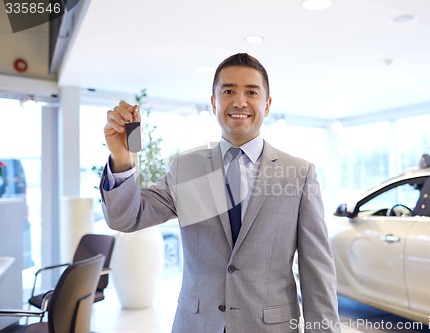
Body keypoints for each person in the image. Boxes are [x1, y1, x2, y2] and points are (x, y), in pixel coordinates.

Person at [100, 53, 340, 332]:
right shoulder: (186, 168)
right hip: (197, 324)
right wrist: (121, 158)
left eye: (251, 92)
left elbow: (317, 268)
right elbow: (126, 218)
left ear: (268, 104)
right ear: (214, 102)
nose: (240, 102)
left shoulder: (299, 173)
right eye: (228, 91)